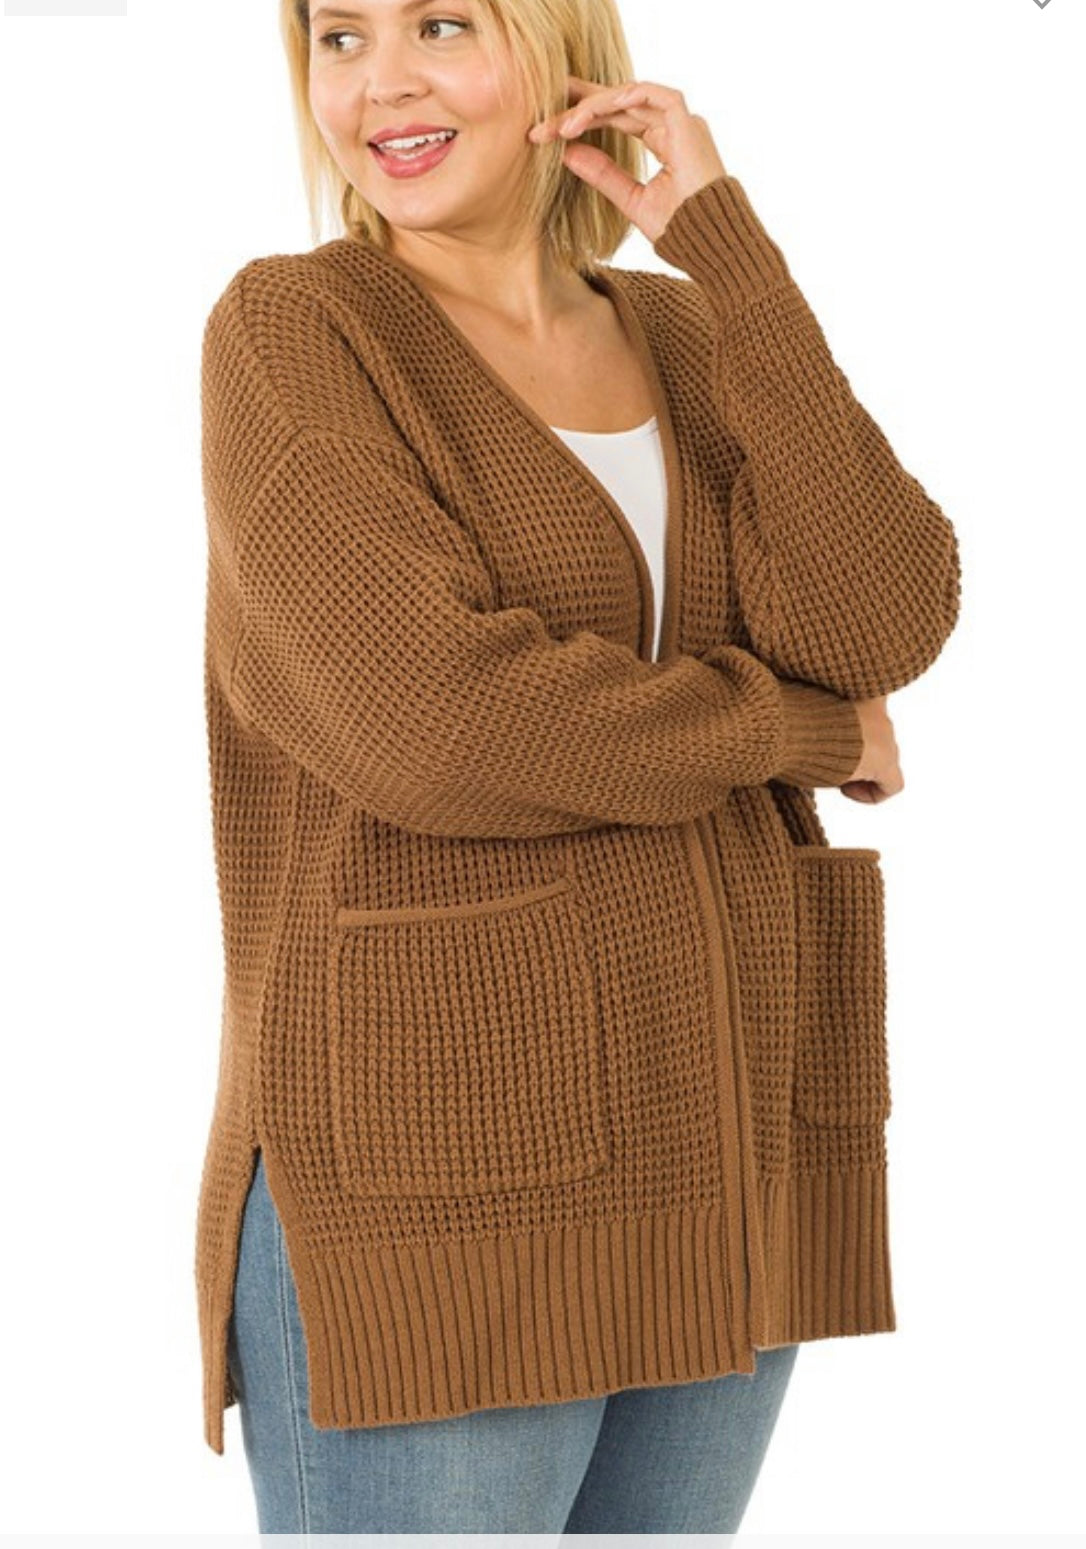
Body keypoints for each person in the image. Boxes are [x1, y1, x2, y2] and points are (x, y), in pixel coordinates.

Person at [196, 0, 962, 1533]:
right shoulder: (301, 331)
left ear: (560, 49)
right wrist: (797, 731)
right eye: (338, 36)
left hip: (729, 1144)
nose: (380, 83)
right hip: (447, 1180)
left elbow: (879, 616)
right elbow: (436, 719)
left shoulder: (686, 333)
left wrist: (726, 254)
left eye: (439, 23)